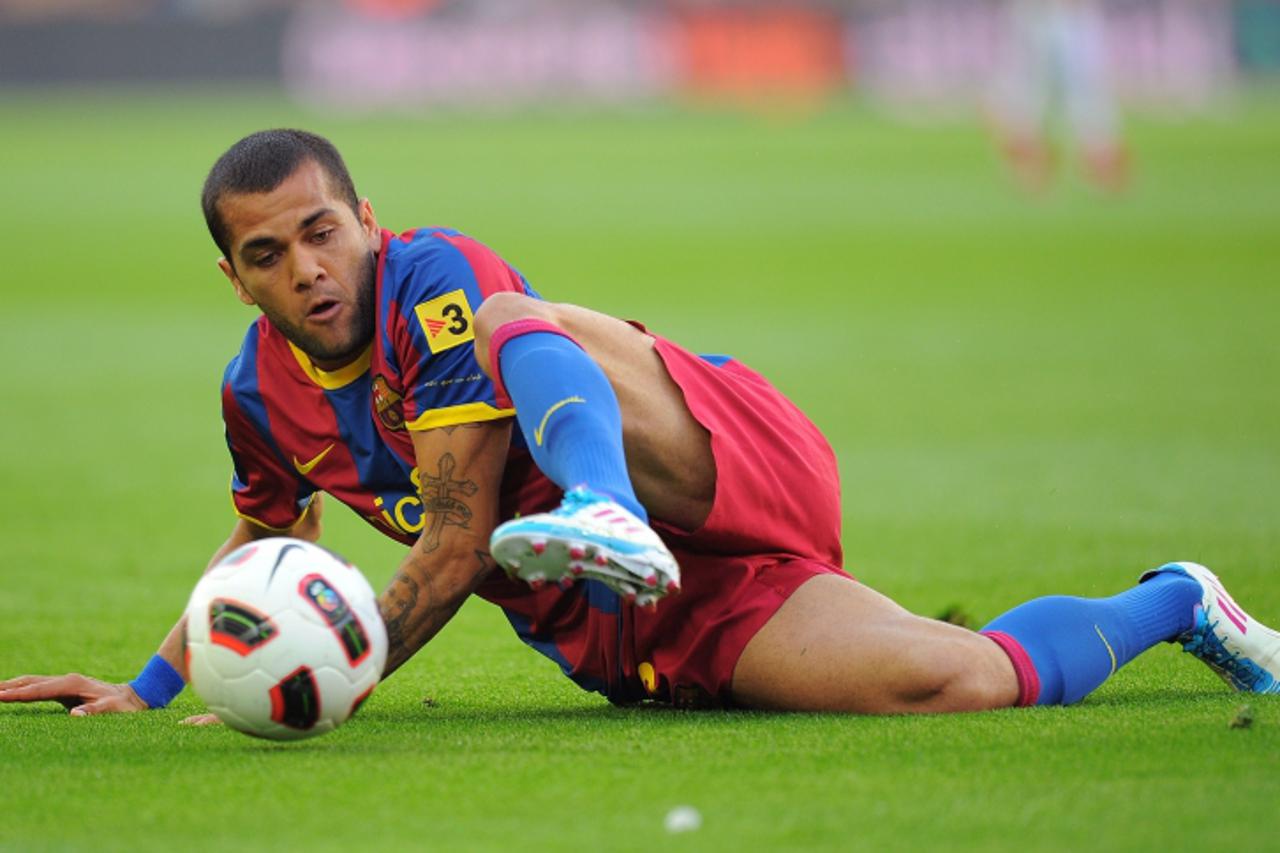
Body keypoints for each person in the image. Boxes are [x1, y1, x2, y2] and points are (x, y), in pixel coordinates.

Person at [1, 129, 1275, 719]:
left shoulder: (430, 280)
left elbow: (451, 549)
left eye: (322, 232)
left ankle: (598, 496)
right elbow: (256, 541)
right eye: (268, 253)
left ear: (368, 220)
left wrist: (326, 678)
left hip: (714, 459)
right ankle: (1179, 601)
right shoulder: (254, 395)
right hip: (648, 616)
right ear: (237, 278)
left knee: (510, 314)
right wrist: (154, 680)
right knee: (951, 683)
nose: (307, 269)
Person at [988, 0, 1130, 192]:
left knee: (1086, 96)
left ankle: (1103, 168)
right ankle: (1032, 170)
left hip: (1070, 19)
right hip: (1039, 16)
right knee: (1026, 98)